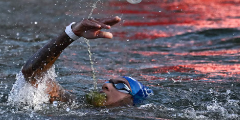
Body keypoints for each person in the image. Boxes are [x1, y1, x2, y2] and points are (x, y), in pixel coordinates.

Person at [21, 16, 153, 107]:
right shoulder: (74, 105)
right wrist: (71, 34)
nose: (106, 86)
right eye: (109, 82)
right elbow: (32, 73)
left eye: (121, 86)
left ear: (132, 101)